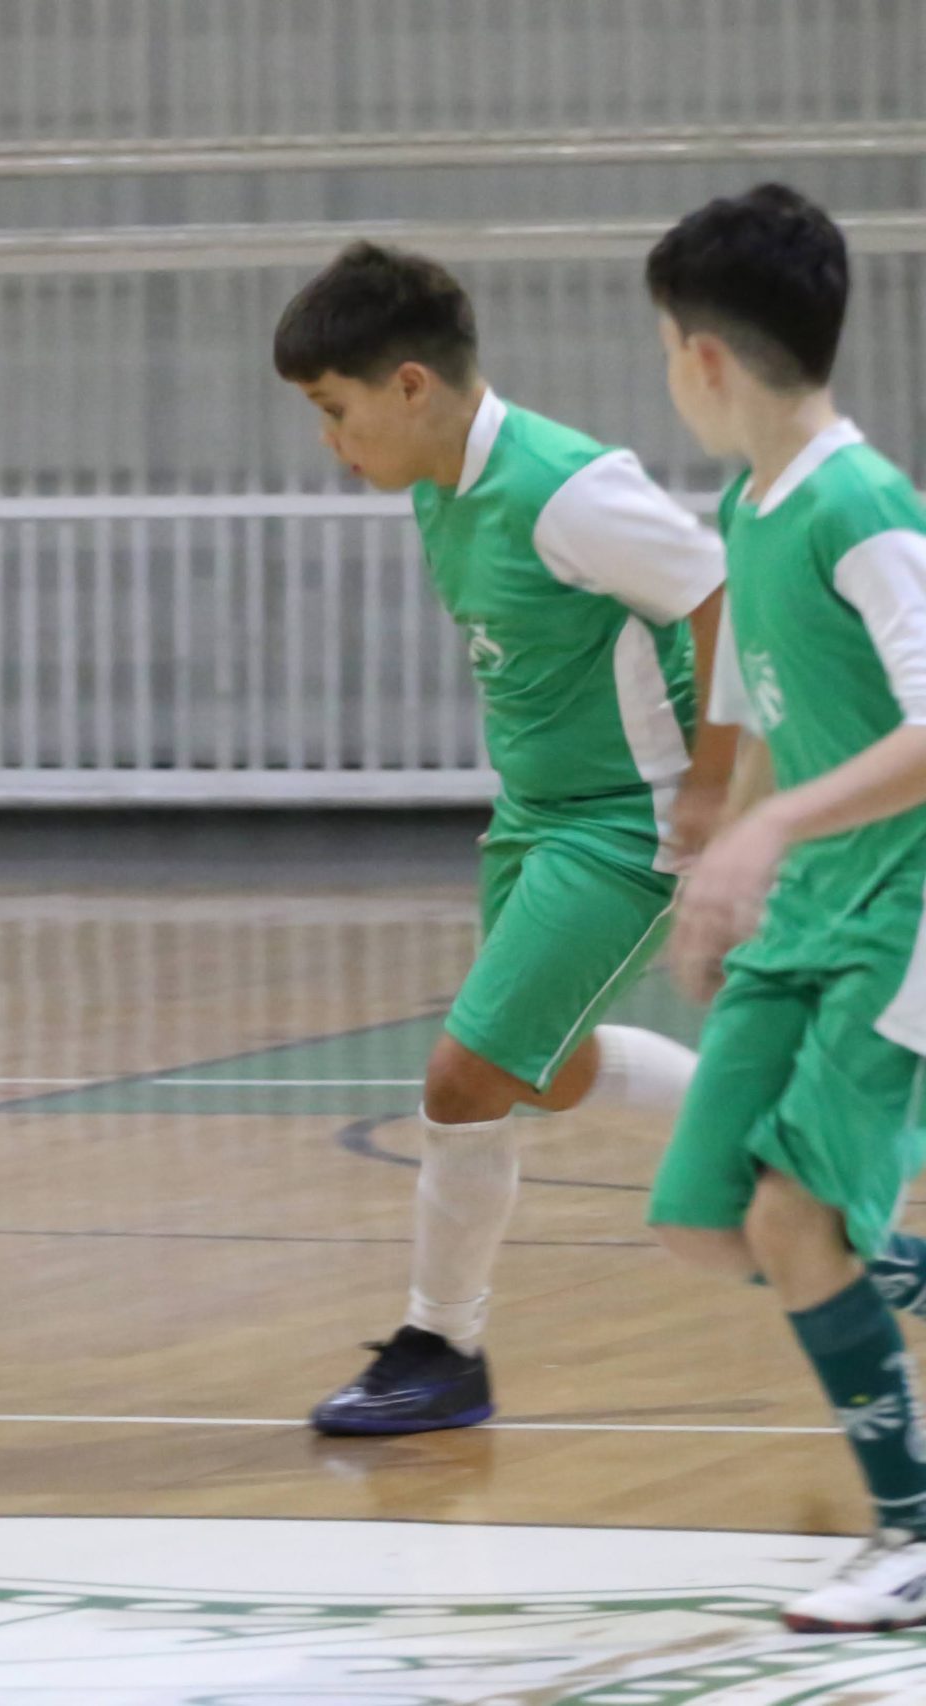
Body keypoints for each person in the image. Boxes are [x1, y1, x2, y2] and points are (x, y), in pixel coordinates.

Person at [272, 242, 734, 1435]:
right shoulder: (435, 484)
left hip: (627, 822)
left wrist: (715, 787)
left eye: (337, 411)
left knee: (463, 1076)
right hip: (533, 814)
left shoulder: (570, 486)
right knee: (549, 1068)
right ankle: (755, 1122)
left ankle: (444, 1344)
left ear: (411, 384)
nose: (331, 440)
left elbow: (720, 592)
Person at [645, 184, 926, 1630]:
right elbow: (767, 705)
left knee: (797, 1217)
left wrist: (772, 825)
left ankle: (913, 1528)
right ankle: (895, 1267)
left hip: (905, 911)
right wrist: (726, 865)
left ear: (701, 356)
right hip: (806, 900)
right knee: (710, 1220)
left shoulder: (864, 504)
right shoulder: (748, 512)